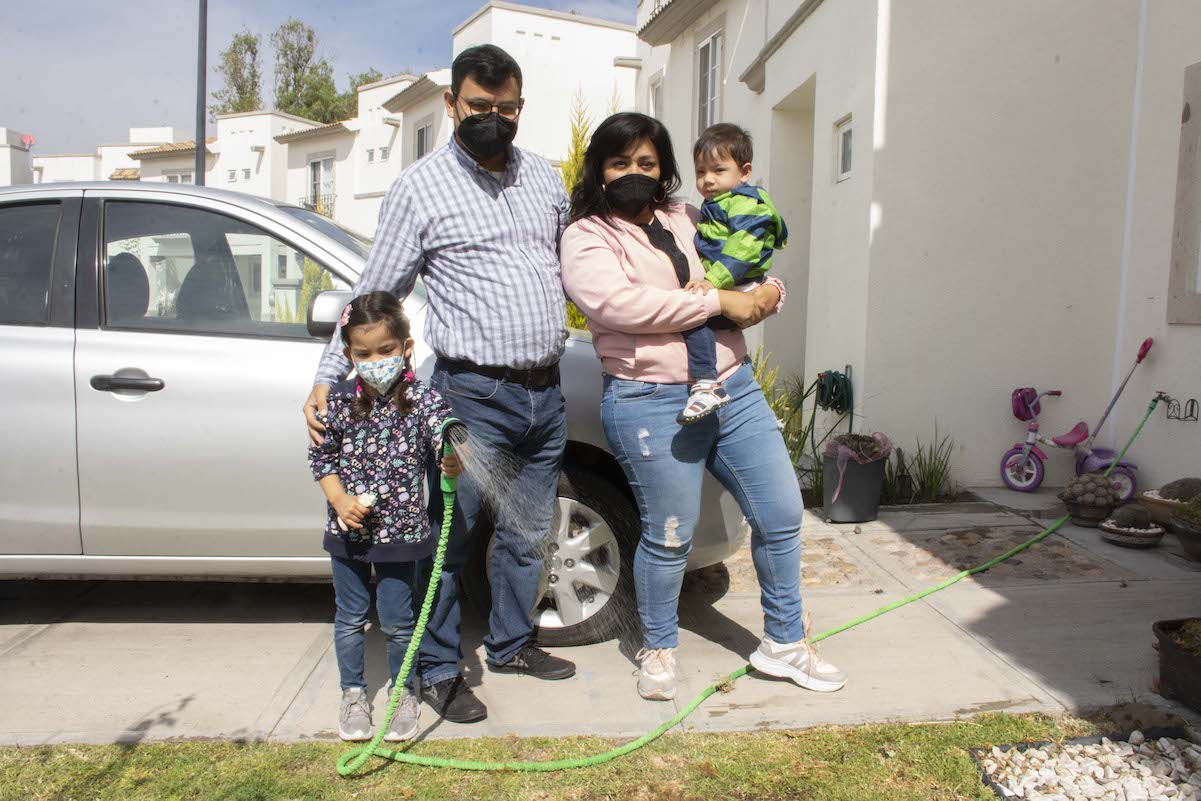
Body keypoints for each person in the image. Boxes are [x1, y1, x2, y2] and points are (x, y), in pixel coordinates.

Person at [303, 44, 575, 726]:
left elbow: (571, 267)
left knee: (527, 532)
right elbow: (376, 292)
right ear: (452, 104)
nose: (492, 118)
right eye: (478, 106)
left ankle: (512, 644)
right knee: (448, 541)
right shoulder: (419, 187)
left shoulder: (544, 179)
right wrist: (328, 378)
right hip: (471, 397)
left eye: (505, 107)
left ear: (519, 106)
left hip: (545, 393)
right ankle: (436, 668)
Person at [559, 113, 848, 701]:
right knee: (670, 535)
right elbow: (621, 305)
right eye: (621, 163)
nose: (634, 173)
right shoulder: (588, 235)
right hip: (650, 400)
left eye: (647, 163)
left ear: (663, 168)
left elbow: (747, 256)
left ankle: (785, 643)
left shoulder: (690, 215)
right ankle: (658, 645)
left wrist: (769, 293)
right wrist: (720, 302)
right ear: (600, 169)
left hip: (733, 389)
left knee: (781, 514)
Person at [308, 291, 462, 742]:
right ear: (349, 355)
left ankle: (402, 692)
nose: (375, 360)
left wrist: (452, 456)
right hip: (348, 532)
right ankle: (353, 693)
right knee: (350, 617)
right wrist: (339, 500)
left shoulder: (422, 399)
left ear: (405, 349)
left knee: (398, 622)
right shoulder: (337, 400)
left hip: (402, 535)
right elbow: (322, 461)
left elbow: (445, 434)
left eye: (385, 351)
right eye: (363, 354)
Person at [679, 123, 789, 425]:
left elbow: (742, 251)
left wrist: (711, 283)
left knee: (695, 318)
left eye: (718, 170)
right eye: (701, 172)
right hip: (734, 281)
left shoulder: (745, 204)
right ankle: (755, 408)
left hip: (738, 281)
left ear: (744, 172)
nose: (708, 180)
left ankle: (706, 384)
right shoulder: (721, 203)